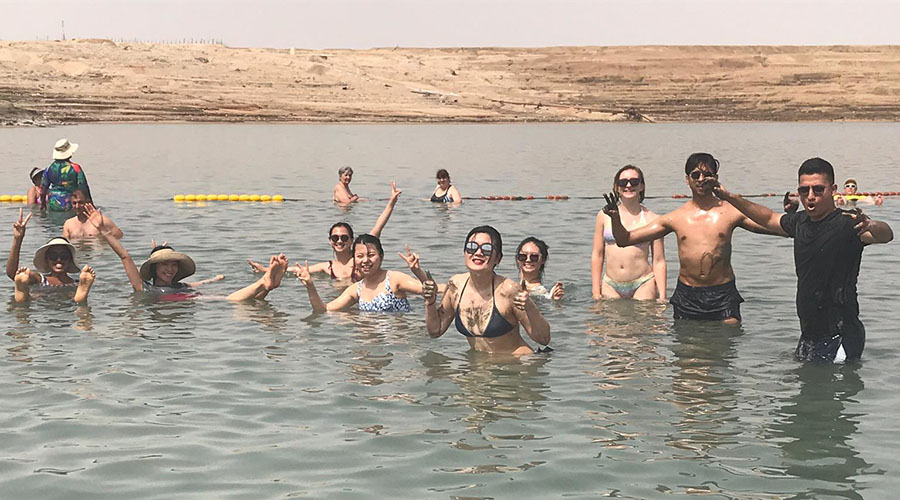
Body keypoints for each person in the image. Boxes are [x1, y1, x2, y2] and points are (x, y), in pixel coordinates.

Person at [712, 158, 893, 363]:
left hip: (842, 334)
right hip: (810, 333)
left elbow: (885, 235)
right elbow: (768, 218)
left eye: (818, 189)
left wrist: (871, 224)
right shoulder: (799, 222)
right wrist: (729, 197)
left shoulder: (848, 223)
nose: (810, 196)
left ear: (833, 189)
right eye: (804, 190)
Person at [604, 153, 773, 324]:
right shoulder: (676, 217)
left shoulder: (730, 211)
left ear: (715, 178)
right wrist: (615, 218)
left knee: (728, 337)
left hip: (722, 293)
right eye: (695, 175)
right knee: (687, 347)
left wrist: (729, 196)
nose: (701, 179)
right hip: (687, 294)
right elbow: (625, 240)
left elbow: (770, 224)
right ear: (687, 179)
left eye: (707, 174)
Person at [422, 225, 551, 355]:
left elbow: (544, 339)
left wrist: (529, 305)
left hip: (518, 365)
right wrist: (430, 301)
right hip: (482, 368)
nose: (478, 253)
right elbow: (435, 331)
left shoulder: (508, 290)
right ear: (464, 252)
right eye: (472, 247)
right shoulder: (455, 286)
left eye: (487, 249)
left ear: (498, 258)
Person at [249, 181, 402, 280]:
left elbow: (378, 227)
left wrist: (391, 203)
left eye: (344, 237)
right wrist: (265, 270)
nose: (340, 241)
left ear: (351, 241)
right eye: (335, 238)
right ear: (330, 241)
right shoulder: (327, 267)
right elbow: (294, 270)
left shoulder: (361, 260)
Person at [85, 205, 238, 297]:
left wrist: (215, 280)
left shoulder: (181, 287)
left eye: (174, 265)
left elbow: (199, 284)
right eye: (164, 264)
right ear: (155, 267)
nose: (170, 269)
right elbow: (125, 256)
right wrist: (104, 231)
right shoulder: (143, 287)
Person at [295, 234, 426, 313]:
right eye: (360, 256)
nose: (365, 260)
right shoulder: (356, 289)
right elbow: (323, 310)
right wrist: (310, 287)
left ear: (381, 256)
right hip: (368, 342)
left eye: (371, 255)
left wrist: (417, 272)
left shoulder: (394, 279)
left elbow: (429, 291)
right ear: (354, 259)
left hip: (397, 341)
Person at [591, 165, 666, 300]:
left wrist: (662, 297)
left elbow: (659, 260)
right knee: (610, 320)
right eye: (623, 182)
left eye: (634, 181)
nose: (629, 185)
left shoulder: (654, 219)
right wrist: (596, 292)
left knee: (643, 319)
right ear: (617, 187)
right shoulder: (604, 216)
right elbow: (597, 254)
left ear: (642, 186)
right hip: (611, 283)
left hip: (643, 282)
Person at [6, 208, 95, 303]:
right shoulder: (40, 279)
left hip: (65, 302)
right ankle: (23, 293)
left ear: (70, 260)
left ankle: (80, 297)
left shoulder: (78, 282)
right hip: (44, 302)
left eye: (64, 256)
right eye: (53, 256)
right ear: (46, 260)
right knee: (32, 294)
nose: (59, 260)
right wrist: (17, 239)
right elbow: (13, 274)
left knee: (73, 297)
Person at [41, 138, 92, 212]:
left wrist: (43, 204)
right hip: (71, 202)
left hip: (53, 202)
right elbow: (83, 186)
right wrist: (90, 203)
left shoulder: (49, 168)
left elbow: (43, 189)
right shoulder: (75, 168)